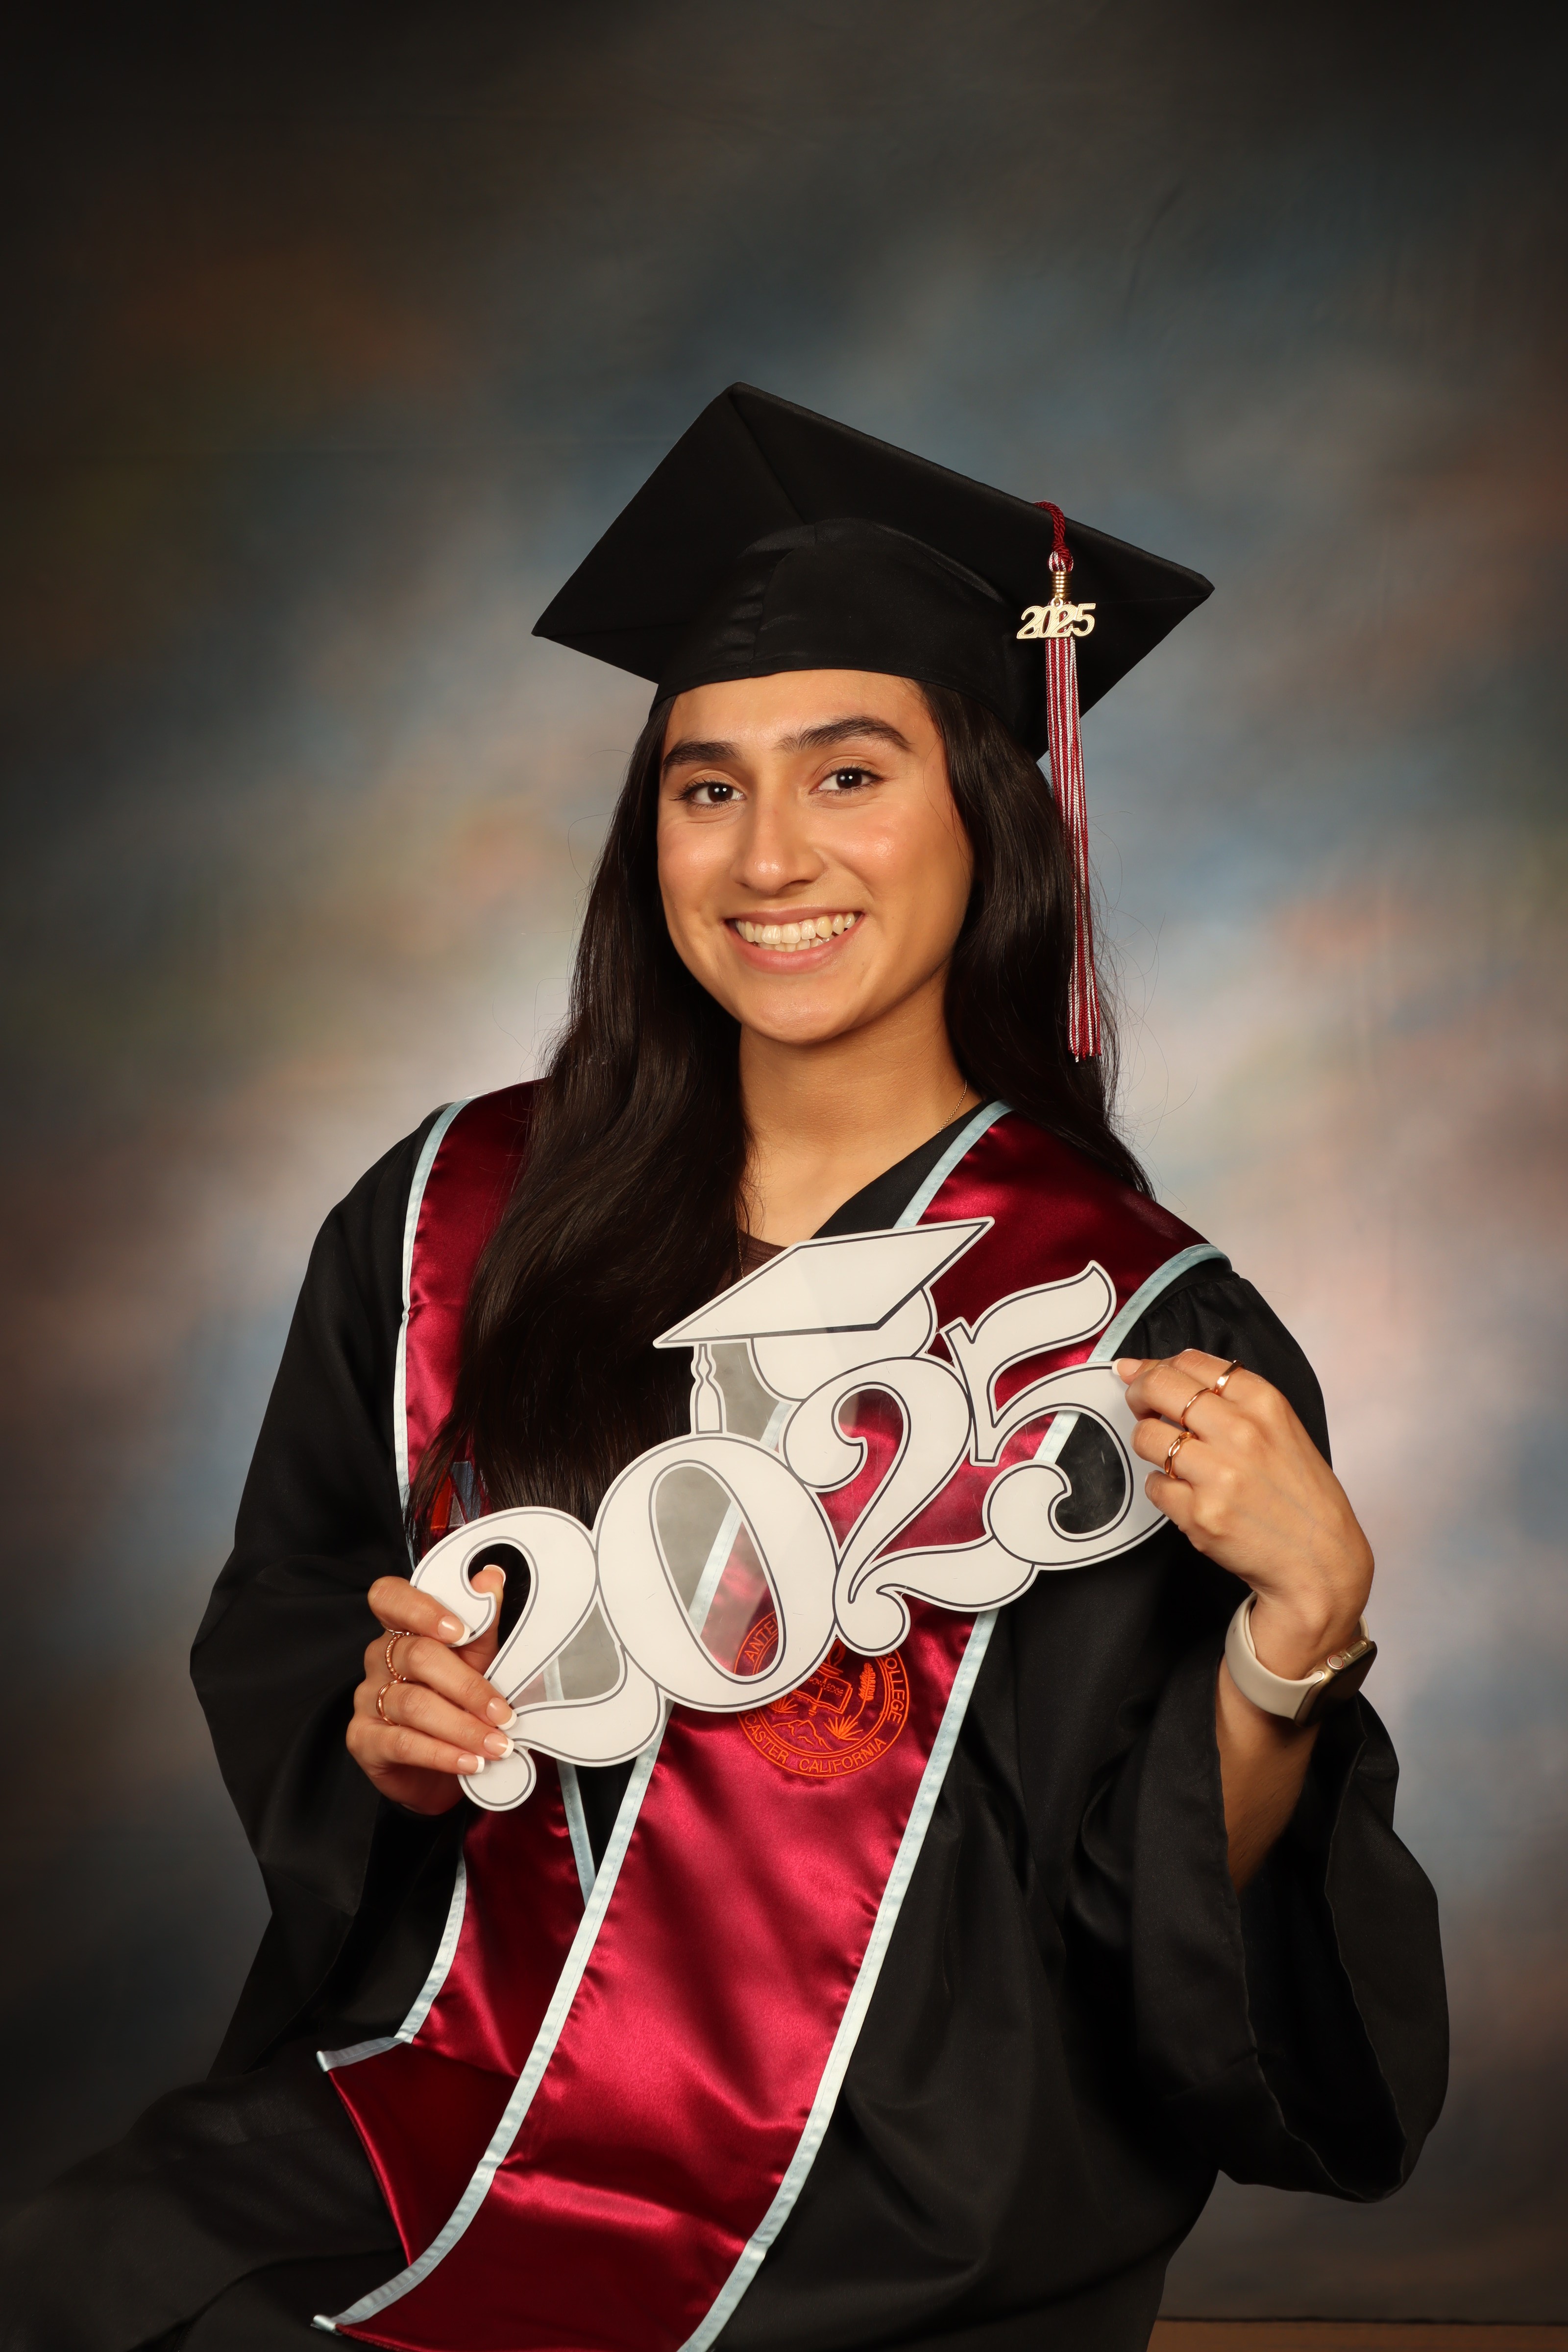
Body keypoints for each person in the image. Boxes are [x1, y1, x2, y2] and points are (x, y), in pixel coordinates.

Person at [0, 387, 1446, 2352]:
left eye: (848, 775)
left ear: (989, 810)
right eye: (705, 789)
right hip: (451, 2091)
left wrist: (1294, 1641)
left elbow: (1145, 1910)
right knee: (87, 2274)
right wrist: (381, 1728)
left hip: (901, 2189)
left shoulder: (1122, 1327)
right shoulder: (445, 1217)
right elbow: (298, 1616)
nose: (768, 856)